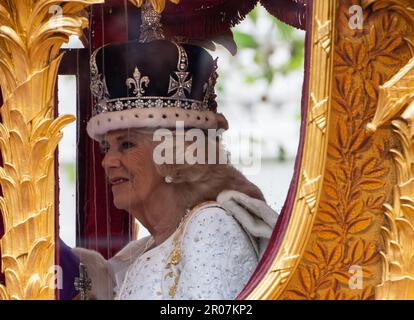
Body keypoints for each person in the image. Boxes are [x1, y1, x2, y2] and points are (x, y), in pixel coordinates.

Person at [72, 2, 278, 300]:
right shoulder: (142, 251)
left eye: (126, 145)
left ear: (176, 154)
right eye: (107, 147)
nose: (107, 161)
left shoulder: (211, 225)